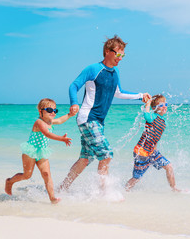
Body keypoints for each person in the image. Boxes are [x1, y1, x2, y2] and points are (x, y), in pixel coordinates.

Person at [59, 35, 151, 191]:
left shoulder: (115, 73)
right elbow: (73, 86)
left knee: (85, 159)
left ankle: (61, 189)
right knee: (106, 154)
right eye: (118, 54)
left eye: (123, 55)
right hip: (88, 118)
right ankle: (105, 193)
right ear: (108, 51)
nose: (120, 58)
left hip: (98, 122)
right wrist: (74, 103)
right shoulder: (93, 69)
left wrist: (140, 95)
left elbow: (119, 92)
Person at [5, 98, 74, 204]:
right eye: (49, 110)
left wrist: (69, 115)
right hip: (30, 152)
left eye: (55, 110)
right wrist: (61, 138)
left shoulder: (51, 121)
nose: (53, 113)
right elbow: (47, 134)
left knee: (46, 174)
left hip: (42, 152)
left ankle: (52, 198)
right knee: (27, 175)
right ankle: (9, 182)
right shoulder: (39, 122)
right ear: (40, 111)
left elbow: (60, 120)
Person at [125, 94, 180, 192]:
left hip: (152, 152)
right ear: (154, 108)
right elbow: (146, 115)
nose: (164, 106)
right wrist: (148, 103)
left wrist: (155, 149)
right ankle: (125, 190)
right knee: (137, 178)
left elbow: (156, 138)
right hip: (141, 152)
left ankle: (174, 188)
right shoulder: (152, 117)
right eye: (161, 105)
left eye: (165, 104)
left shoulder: (164, 122)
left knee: (169, 166)